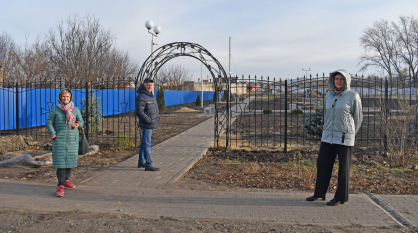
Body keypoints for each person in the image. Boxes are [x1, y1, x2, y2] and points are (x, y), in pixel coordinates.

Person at [306, 69, 363, 206]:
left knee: (343, 169)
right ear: (333, 81)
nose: (338, 81)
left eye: (341, 79)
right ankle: (319, 194)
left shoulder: (353, 96)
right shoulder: (329, 96)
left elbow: (358, 118)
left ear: (346, 81)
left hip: (344, 138)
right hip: (327, 137)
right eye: (336, 79)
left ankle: (341, 197)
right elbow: (326, 114)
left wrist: (350, 134)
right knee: (322, 164)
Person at [46, 88, 84, 197]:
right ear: (60, 97)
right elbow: (49, 123)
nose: (65, 98)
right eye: (63, 96)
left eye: (67, 96)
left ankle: (66, 181)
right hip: (59, 140)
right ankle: (60, 185)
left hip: (72, 139)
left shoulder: (75, 109)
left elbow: (81, 122)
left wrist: (78, 124)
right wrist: (53, 134)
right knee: (61, 162)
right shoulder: (55, 109)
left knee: (70, 161)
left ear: (70, 97)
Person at [135, 78, 160, 171]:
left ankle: (141, 161)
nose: (150, 87)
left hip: (151, 123)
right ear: (144, 85)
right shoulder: (142, 96)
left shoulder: (150, 95)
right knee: (147, 143)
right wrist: (148, 120)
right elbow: (139, 112)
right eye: (148, 85)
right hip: (147, 124)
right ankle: (148, 164)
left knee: (143, 142)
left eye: (151, 85)